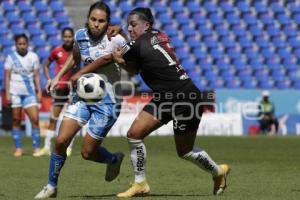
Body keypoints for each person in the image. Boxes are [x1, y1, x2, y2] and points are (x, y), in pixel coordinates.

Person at [111, 7, 230, 197]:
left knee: (185, 150)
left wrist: (117, 57)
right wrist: (124, 36)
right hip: (166, 97)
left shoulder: (139, 44)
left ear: (146, 25)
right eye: (128, 25)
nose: (130, 28)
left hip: (185, 99)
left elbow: (124, 56)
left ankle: (218, 172)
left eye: (133, 25)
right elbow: (135, 58)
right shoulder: (159, 34)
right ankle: (140, 184)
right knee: (134, 134)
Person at [34, 2, 127, 199]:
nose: (96, 24)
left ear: (108, 22)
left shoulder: (115, 39)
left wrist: (78, 75)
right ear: (88, 19)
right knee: (60, 141)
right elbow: (76, 58)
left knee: (87, 153)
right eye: (93, 19)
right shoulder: (79, 36)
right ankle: (51, 186)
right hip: (82, 98)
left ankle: (113, 159)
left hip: (107, 103)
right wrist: (59, 76)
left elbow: (116, 62)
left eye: (101, 21)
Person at [38, 27, 76, 157]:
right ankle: (47, 147)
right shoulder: (57, 51)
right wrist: (49, 79)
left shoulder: (77, 52)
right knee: (53, 118)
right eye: (65, 36)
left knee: (72, 120)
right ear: (62, 37)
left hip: (72, 89)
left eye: (69, 36)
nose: (67, 39)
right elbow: (46, 65)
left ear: (73, 37)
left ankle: (69, 148)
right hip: (60, 89)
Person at [4, 34, 42, 157]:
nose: (22, 46)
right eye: (19, 44)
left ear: (27, 44)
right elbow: (7, 77)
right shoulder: (10, 57)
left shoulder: (33, 57)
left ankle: (36, 148)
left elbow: (36, 75)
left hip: (30, 93)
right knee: (16, 120)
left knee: (35, 120)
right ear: (16, 44)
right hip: (15, 92)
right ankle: (18, 148)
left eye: (24, 44)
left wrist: (39, 91)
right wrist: (8, 93)